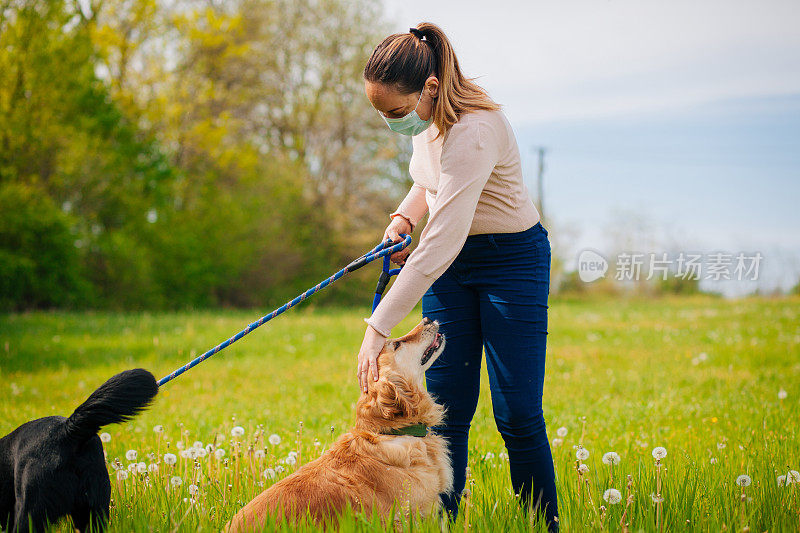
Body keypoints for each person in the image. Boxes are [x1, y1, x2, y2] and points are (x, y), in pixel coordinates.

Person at [356, 22, 559, 531]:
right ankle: (443, 523)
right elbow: (428, 185)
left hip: (511, 262)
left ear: (427, 89)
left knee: (517, 414)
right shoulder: (426, 120)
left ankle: (543, 524)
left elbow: (440, 243)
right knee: (445, 411)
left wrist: (377, 328)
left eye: (395, 113)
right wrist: (403, 219)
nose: (390, 123)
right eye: (382, 113)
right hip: (453, 267)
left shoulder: (475, 129)